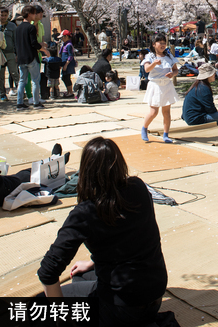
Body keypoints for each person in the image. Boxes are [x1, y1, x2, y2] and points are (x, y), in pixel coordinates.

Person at [37, 137, 167, 326]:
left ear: (86, 171)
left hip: (120, 310)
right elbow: (132, 237)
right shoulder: (138, 188)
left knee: (39, 304)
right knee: (80, 275)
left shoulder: (86, 212)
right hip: (153, 297)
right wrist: (91, 262)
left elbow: (47, 272)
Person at [140, 35, 178, 143]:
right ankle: (144, 128)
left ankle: (166, 134)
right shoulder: (150, 56)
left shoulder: (169, 56)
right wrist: (154, 63)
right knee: (153, 112)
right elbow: (147, 69)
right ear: (153, 44)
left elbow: (176, 70)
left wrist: (172, 74)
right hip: (155, 85)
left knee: (166, 112)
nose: (162, 45)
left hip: (167, 85)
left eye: (163, 42)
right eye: (159, 42)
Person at [16, 5, 48, 110]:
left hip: (21, 58)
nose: (35, 15)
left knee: (22, 81)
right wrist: (43, 48)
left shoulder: (18, 28)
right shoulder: (31, 27)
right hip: (31, 57)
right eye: (34, 13)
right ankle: (36, 102)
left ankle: (19, 103)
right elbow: (34, 43)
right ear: (29, 14)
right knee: (35, 80)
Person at [0, 8, 18, 101]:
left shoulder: (12, 26)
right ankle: (2, 94)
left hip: (10, 53)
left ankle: (21, 91)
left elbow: (16, 40)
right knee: (0, 75)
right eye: (2, 15)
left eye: (5, 15)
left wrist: (17, 53)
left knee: (14, 73)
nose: (4, 17)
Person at [58, 30, 77, 98]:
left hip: (68, 64)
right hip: (64, 63)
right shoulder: (64, 44)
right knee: (64, 77)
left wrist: (66, 64)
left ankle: (70, 92)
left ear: (66, 37)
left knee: (66, 77)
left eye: (62, 37)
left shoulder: (69, 45)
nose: (61, 39)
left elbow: (70, 55)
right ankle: (68, 91)